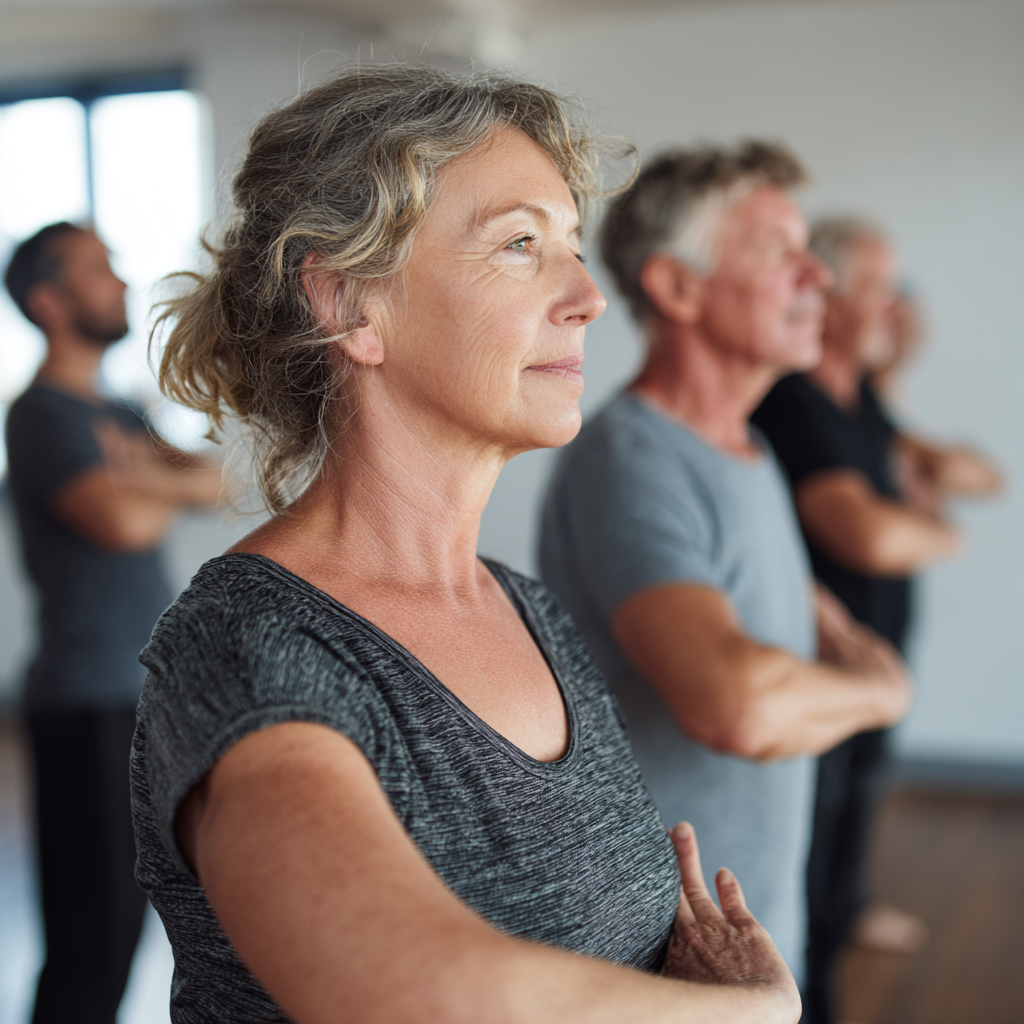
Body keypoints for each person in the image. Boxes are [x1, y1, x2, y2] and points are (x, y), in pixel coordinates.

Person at [129, 65, 802, 1024]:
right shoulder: (251, 647)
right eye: (520, 245)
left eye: (572, 245)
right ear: (352, 303)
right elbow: (414, 994)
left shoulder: (527, 609)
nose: (586, 295)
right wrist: (758, 1011)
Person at [539, 144, 913, 990]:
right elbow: (736, 705)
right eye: (780, 252)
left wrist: (820, 616)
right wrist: (882, 692)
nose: (817, 276)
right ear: (678, 288)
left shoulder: (748, 446)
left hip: (759, 924)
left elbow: (750, 600)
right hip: (670, 957)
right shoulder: (634, 461)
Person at [751, 215, 1001, 1024]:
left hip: (875, 641)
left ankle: (846, 917)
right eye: (881, 289)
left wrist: (901, 413)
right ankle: (811, 988)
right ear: (828, 297)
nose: (897, 306)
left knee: (861, 790)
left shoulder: (860, 398)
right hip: (816, 654)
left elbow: (977, 471)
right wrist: (942, 529)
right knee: (814, 827)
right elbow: (863, 531)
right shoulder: (795, 402)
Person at [2, 222, 224, 1022]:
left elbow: (218, 482)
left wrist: (143, 480)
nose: (121, 284)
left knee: (130, 928)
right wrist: (145, 486)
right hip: (86, 701)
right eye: (99, 272)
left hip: (140, 698)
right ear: (48, 302)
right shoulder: (39, 415)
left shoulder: (120, 411)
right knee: (91, 942)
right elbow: (121, 525)